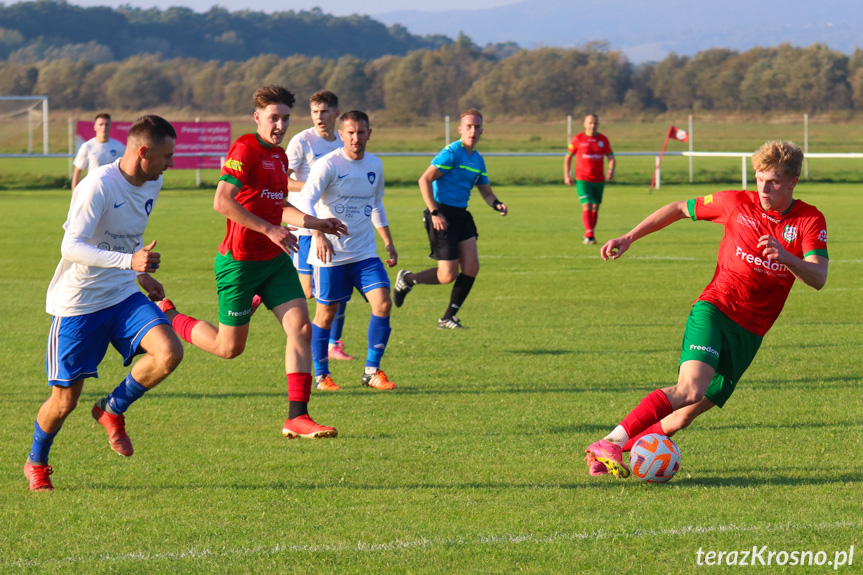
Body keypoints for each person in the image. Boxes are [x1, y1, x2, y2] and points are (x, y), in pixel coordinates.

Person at [584, 141, 828, 478]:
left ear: (792, 182)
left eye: (772, 181)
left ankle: (606, 452)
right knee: (689, 389)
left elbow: (818, 277)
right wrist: (629, 237)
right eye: (759, 178)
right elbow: (679, 208)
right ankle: (612, 440)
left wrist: (787, 257)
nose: (763, 188)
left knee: (683, 415)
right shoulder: (736, 203)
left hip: (751, 332)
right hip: (715, 308)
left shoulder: (809, 220)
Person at [156, 85, 347, 439]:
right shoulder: (244, 148)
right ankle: (169, 314)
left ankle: (298, 417)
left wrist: (315, 222)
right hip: (240, 263)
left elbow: (280, 208)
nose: (280, 125)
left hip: (274, 261)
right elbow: (223, 201)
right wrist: (270, 229)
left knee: (301, 328)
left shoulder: (280, 157)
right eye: (273, 118)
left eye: (286, 118)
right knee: (229, 349)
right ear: (257, 117)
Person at [25, 115, 183, 492]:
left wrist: (140, 273)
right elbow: (71, 247)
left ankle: (111, 409)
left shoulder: (153, 182)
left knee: (168, 353)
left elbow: (127, 239)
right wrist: (131, 262)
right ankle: (37, 461)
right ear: (142, 151)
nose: (170, 164)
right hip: (79, 303)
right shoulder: (98, 185)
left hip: (123, 292)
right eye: (166, 156)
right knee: (64, 402)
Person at [292, 110, 398, 391]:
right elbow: (306, 201)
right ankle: (321, 375)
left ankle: (372, 371)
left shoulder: (375, 165)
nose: (356, 137)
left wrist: (387, 240)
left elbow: (375, 204)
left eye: (361, 132)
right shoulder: (328, 164)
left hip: (364, 253)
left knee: (383, 303)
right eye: (350, 132)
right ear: (341, 135)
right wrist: (318, 233)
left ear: (369, 134)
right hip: (331, 255)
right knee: (326, 314)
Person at [392, 109, 507, 330]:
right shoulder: (451, 152)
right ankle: (407, 280)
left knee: (471, 267)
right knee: (447, 276)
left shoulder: (478, 160)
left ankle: (447, 318)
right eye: (469, 126)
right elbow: (424, 180)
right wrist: (435, 212)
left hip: (461, 215)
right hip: (441, 214)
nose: (473, 131)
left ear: (482, 130)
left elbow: (487, 192)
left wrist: (497, 204)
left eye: (477, 127)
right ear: (460, 129)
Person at [285, 90, 356, 368]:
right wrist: (316, 188)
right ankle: (264, 288)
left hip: (334, 226)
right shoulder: (301, 141)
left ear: (336, 114)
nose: (319, 117)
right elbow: (283, 182)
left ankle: (333, 343)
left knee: (337, 288)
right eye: (315, 111)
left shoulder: (342, 141)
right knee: (308, 292)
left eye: (325, 111)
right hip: (305, 226)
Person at [563, 114, 615, 245]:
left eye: (595, 123)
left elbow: (611, 157)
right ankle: (589, 235)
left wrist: (611, 169)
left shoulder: (603, 139)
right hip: (582, 178)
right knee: (587, 205)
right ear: (585, 124)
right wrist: (567, 175)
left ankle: (590, 232)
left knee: (595, 208)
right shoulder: (577, 139)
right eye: (590, 123)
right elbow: (568, 157)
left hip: (598, 179)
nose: (593, 126)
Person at [72, 113, 126, 191]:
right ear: (95, 127)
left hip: (113, 190)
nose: (104, 127)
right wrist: (75, 195)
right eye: (100, 124)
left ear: (111, 126)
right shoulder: (87, 146)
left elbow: (124, 171)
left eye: (106, 124)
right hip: (93, 189)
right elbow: (78, 172)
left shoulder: (119, 146)